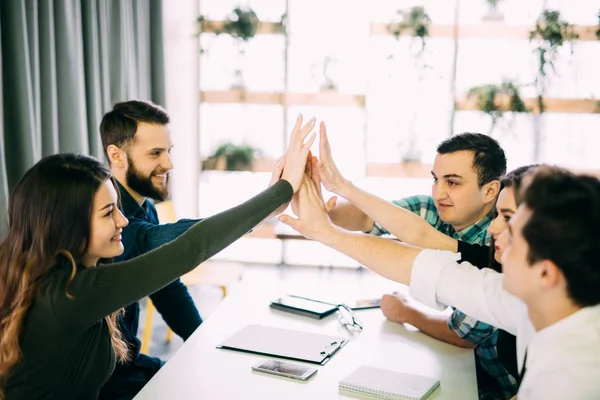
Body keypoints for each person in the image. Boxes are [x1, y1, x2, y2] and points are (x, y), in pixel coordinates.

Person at [0, 114, 315, 400]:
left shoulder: (61, 275)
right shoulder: (71, 291)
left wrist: (205, 346)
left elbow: (169, 284)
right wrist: (281, 192)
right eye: (109, 213)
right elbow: (190, 248)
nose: (122, 221)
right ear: (68, 225)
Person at [281, 166, 600, 399]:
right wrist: (326, 232)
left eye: (514, 233)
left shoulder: (572, 377)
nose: (492, 232)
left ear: (546, 273)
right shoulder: (536, 301)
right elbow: (418, 264)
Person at [316, 123, 511, 398]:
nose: (438, 193)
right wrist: (325, 213)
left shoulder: (501, 247)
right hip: (465, 371)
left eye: (452, 182)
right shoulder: (433, 209)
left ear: (490, 191)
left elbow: (463, 336)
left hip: (499, 386)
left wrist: (406, 312)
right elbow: (369, 217)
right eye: (436, 179)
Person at [97, 100, 201, 399]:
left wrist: (201, 340)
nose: (169, 164)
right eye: (155, 153)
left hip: (128, 363)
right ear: (116, 155)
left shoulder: (146, 208)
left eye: (169, 151)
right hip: (104, 379)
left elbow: (167, 287)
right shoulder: (108, 222)